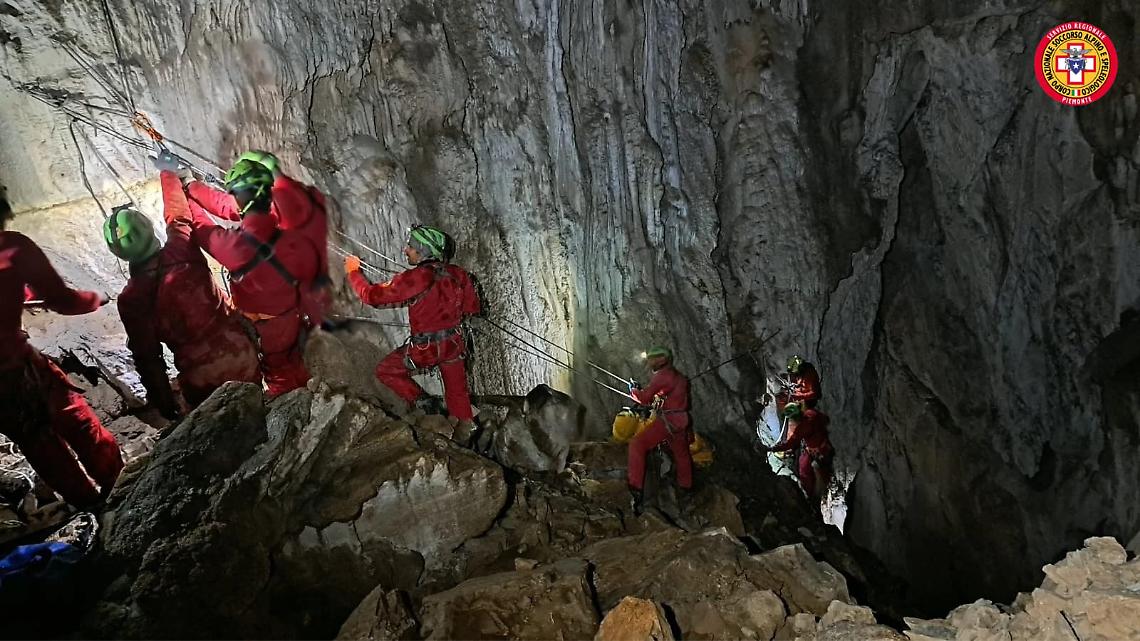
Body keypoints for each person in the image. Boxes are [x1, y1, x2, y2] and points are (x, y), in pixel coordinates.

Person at [107, 160, 261, 418]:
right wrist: (169, 174)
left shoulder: (131, 300)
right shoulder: (182, 247)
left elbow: (148, 358)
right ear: (148, 231)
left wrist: (166, 405)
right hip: (241, 353)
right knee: (260, 408)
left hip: (202, 379)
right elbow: (178, 216)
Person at [0, 194, 123, 508]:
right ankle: (122, 490)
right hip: (22, 368)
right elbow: (63, 300)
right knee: (79, 425)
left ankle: (90, 509)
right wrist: (99, 297)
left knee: (40, 446)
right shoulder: (11, 247)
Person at [180, 151, 330, 397]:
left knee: (276, 370)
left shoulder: (235, 248)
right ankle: (306, 386)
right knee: (293, 358)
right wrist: (194, 186)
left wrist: (187, 189)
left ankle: (291, 404)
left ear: (240, 199)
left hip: (266, 326)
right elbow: (231, 207)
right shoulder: (284, 220)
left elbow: (201, 227)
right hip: (294, 315)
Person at [344, 225, 481, 430]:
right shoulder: (458, 274)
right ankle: (467, 430)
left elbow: (371, 296)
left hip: (425, 349)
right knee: (457, 394)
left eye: (410, 247)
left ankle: (425, 403)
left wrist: (353, 272)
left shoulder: (416, 278)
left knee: (386, 370)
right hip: (453, 345)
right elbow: (472, 308)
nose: (406, 250)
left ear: (422, 251)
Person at [626, 346, 692, 515]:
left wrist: (633, 390)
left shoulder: (663, 376)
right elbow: (662, 392)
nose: (649, 363)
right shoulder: (677, 376)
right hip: (681, 420)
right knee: (682, 454)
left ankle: (635, 490)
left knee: (637, 444)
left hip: (668, 422)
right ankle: (686, 488)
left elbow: (644, 398)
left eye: (652, 359)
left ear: (661, 359)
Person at [763, 401, 833, 505]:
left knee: (805, 471)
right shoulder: (811, 413)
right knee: (803, 463)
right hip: (822, 445)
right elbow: (825, 419)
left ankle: (810, 496)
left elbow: (789, 444)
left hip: (818, 452)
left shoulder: (802, 428)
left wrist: (773, 449)